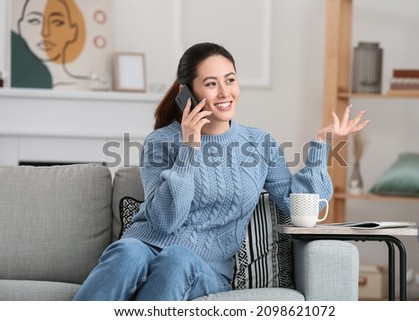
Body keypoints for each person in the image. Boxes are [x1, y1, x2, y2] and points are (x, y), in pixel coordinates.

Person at [74, 42, 369, 301]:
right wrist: (190, 147)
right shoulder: (161, 142)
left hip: (206, 269)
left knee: (177, 258)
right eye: (212, 83)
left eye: (230, 80)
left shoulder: (259, 143)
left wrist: (321, 145)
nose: (225, 92)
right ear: (187, 92)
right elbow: (164, 222)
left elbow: (299, 211)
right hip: (146, 246)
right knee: (128, 252)